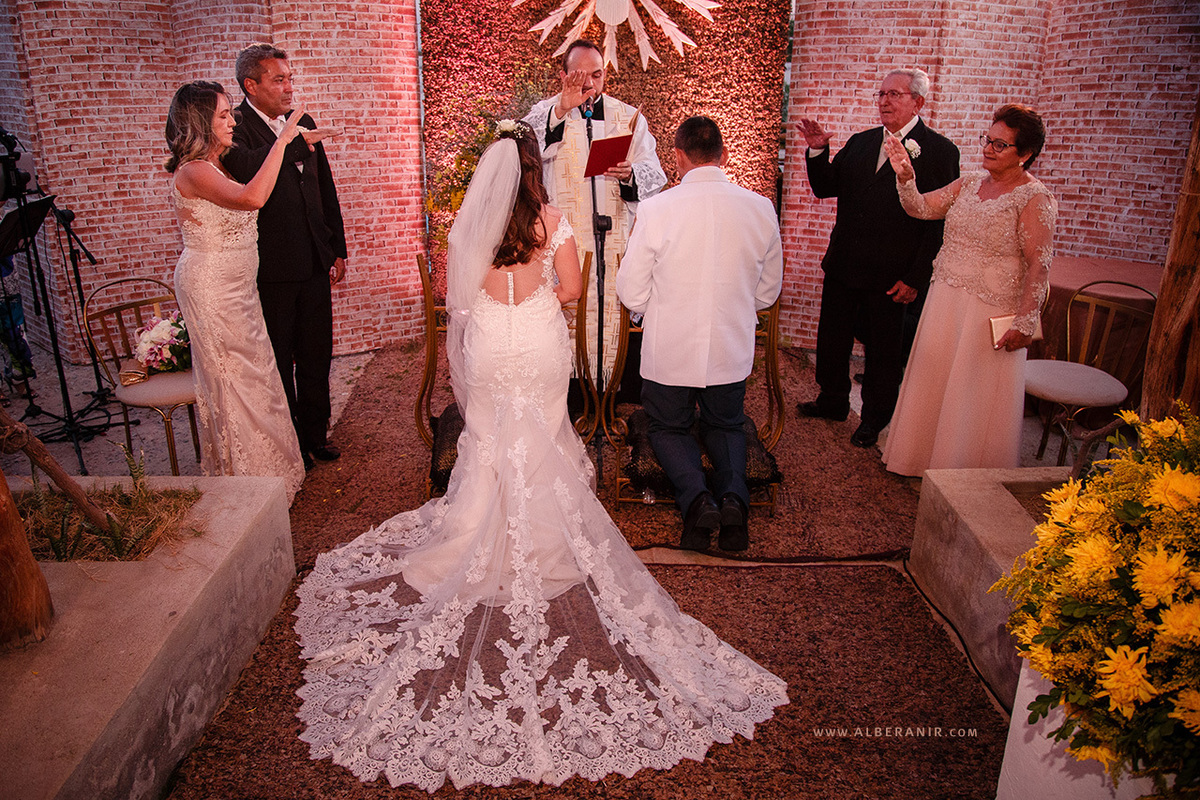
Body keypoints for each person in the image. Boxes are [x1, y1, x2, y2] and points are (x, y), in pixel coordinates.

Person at [293, 122, 787, 792]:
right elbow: (574, 291)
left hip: (494, 344)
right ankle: (548, 534)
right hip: (539, 343)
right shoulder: (553, 217)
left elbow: (457, 303)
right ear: (536, 169)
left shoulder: (467, 229)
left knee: (492, 438)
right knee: (544, 436)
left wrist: (496, 311)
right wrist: (535, 302)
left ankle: (475, 528)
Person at [617, 116, 783, 552]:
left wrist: (664, 312)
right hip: (730, 344)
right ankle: (733, 503)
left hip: (671, 347)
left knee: (668, 428)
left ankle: (697, 503)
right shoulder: (760, 208)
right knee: (726, 425)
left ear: (678, 157)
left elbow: (631, 289)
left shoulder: (657, 209)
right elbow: (768, 291)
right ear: (724, 156)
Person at [881, 104, 1057, 475]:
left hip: (988, 310)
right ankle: (918, 458)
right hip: (946, 298)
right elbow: (921, 209)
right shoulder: (970, 182)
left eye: (1000, 144)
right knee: (935, 379)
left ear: (1025, 154)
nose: (988, 148)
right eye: (987, 139)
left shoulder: (1034, 198)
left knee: (970, 394)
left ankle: (960, 473)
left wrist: (1026, 323)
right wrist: (905, 177)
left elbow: (1038, 266)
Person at [798, 67, 960, 448]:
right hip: (845, 264)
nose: (885, 101)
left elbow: (938, 223)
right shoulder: (861, 141)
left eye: (895, 94)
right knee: (832, 338)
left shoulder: (939, 151)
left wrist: (916, 278)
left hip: (892, 273)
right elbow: (825, 187)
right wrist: (819, 149)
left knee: (884, 352)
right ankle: (833, 399)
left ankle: (873, 418)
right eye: (881, 94)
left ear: (918, 102)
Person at [164, 80, 307, 501]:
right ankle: (247, 478)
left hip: (237, 287)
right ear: (200, 123)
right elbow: (252, 199)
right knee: (236, 378)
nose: (233, 120)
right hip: (212, 288)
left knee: (256, 371)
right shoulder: (193, 172)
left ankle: (268, 470)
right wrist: (281, 141)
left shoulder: (216, 165)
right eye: (224, 115)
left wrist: (296, 143)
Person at [223, 43, 347, 470]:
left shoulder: (303, 122)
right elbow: (246, 168)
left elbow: (324, 189)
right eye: (279, 79)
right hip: (272, 269)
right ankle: (290, 442)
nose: (289, 87)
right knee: (279, 359)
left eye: (290, 78)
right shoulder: (233, 127)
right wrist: (294, 143)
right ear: (250, 85)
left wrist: (336, 248)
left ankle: (317, 434)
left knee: (317, 354)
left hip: (315, 260)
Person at [524, 39, 666, 393]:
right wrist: (561, 110)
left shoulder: (628, 117)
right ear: (563, 75)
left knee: (611, 314)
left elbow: (654, 173)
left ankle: (610, 393)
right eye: (581, 76)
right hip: (564, 241)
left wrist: (631, 174)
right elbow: (522, 153)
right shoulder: (546, 113)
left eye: (598, 76)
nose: (590, 85)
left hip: (613, 238)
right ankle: (569, 396)